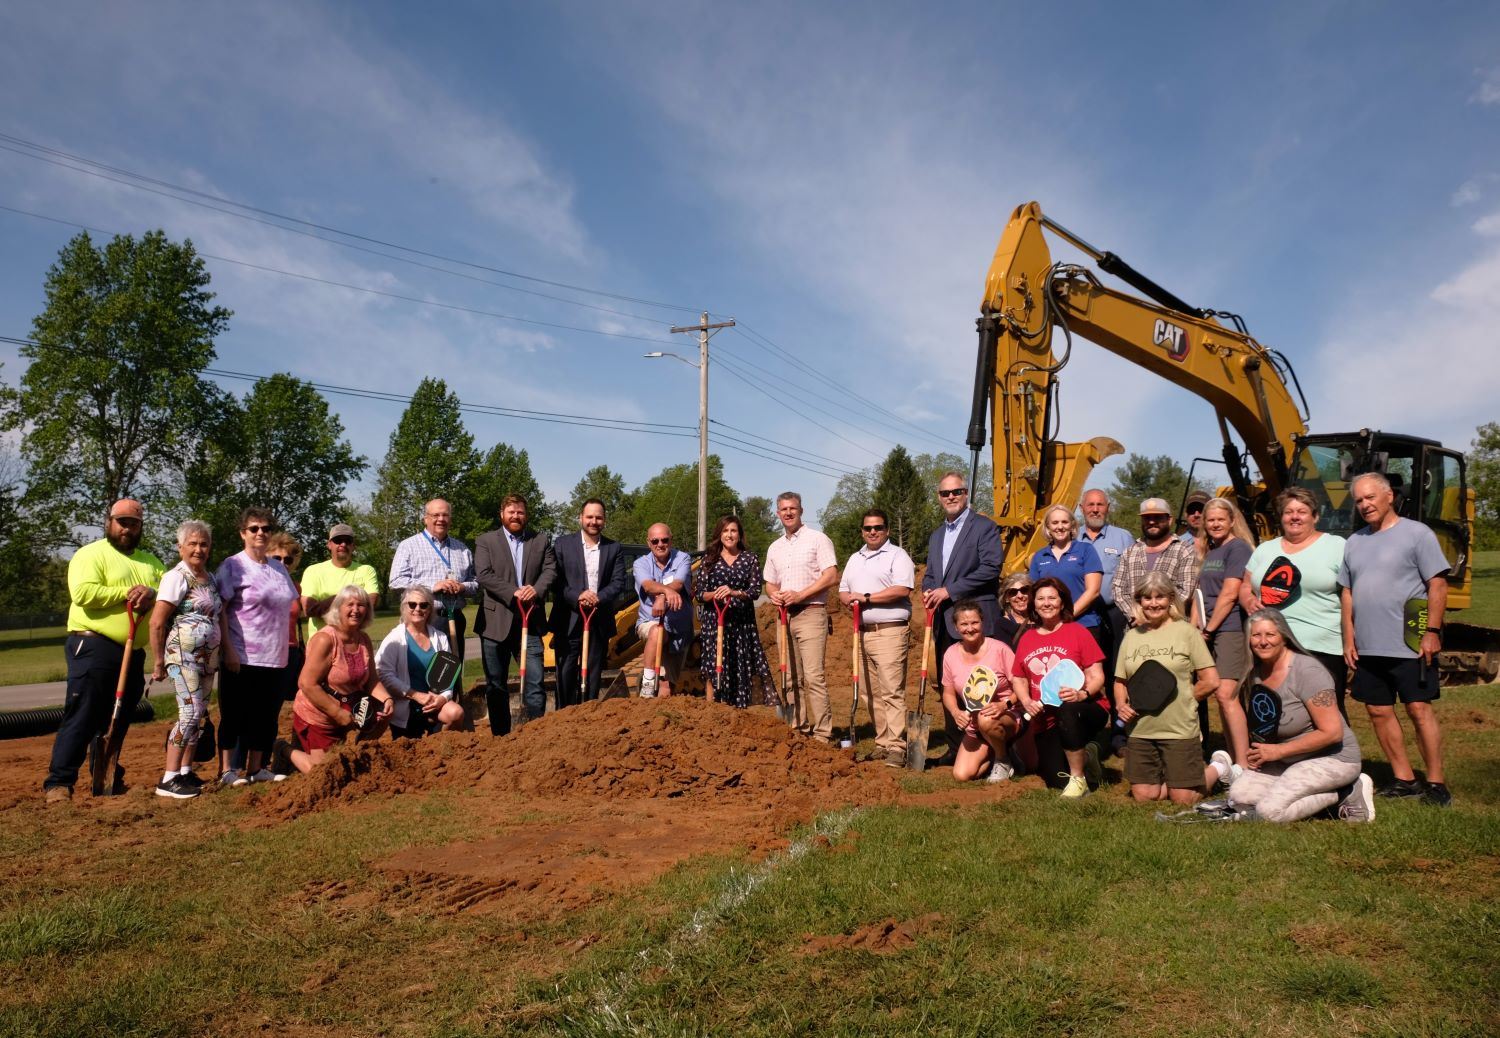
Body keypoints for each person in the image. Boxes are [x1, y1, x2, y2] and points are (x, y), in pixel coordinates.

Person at [1338, 472, 1452, 806]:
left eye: (1370, 497)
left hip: (1411, 638)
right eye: (1359, 500)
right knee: (1377, 711)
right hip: (1368, 644)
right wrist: (1349, 636)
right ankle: (1404, 778)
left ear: (1390, 496)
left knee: (1418, 709)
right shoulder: (1354, 541)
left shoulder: (1417, 534)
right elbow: (1347, 592)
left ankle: (1435, 782)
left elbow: (1438, 585)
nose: (1364, 505)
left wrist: (1431, 631)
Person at [44, 499, 164, 803]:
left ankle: (106, 773)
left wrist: (152, 592)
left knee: (117, 717)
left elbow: (172, 591)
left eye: (133, 523)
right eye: (121, 522)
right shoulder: (91, 554)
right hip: (93, 645)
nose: (126, 528)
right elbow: (83, 593)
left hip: (132, 652)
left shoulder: (151, 562)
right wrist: (128, 593)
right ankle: (59, 782)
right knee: (84, 712)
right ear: (109, 522)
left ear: (140, 527)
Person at [1227, 610, 1374, 822]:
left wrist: (1278, 751)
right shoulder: (1256, 673)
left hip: (1332, 759)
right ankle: (1317, 795)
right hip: (1288, 761)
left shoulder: (1308, 671)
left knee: (1269, 813)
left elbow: (1332, 733)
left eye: (1270, 634)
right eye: (1256, 635)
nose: (1263, 642)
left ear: (1284, 636)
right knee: (1240, 796)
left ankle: (1346, 791)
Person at [1114, 571, 1236, 806]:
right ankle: (1172, 778)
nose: (1153, 603)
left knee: (1183, 799)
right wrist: (1121, 704)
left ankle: (1219, 768)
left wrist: (1189, 700)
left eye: (1159, 597)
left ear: (1170, 599)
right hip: (1141, 729)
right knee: (1144, 797)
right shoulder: (1132, 636)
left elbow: (1210, 679)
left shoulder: (1187, 633)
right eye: (1146, 598)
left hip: (1179, 728)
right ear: (1139, 602)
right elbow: (1120, 681)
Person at [1240, 487, 1349, 714]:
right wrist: (1249, 600)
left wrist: (1351, 640)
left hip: (1321, 646)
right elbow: (1245, 586)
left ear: (1315, 516)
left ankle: (1336, 751)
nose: (1295, 517)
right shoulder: (1265, 549)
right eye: (1288, 512)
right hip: (1271, 646)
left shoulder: (1337, 546)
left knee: (1325, 713)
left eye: (1302, 511)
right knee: (1274, 712)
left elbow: (1351, 595)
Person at [921, 472, 1003, 763]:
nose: (951, 497)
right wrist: (929, 590)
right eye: (945, 493)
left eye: (956, 491)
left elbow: (991, 567)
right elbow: (931, 573)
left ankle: (992, 745)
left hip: (976, 619)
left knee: (983, 683)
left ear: (966, 494)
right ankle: (956, 748)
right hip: (945, 620)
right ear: (939, 498)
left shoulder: (983, 527)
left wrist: (949, 590)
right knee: (952, 685)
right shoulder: (937, 536)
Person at [215, 507, 298, 786]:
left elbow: (291, 603)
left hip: (275, 656)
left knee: (265, 716)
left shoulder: (277, 568)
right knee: (235, 714)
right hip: (242, 654)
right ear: (243, 533)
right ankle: (228, 770)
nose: (260, 533)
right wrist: (228, 649)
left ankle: (256, 768)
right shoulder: (232, 566)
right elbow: (220, 611)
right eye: (254, 528)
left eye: (265, 528)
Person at [1009, 578, 1109, 797]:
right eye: (1041, 598)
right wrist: (1026, 702)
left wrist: (1081, 693)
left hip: (1085, 707)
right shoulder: (1027, 638)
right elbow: (1019, 678)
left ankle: (1079, 778)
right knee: (1055, 781)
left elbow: (1097, 675)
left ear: (1062, 602)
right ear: (1033, 604)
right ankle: (1088, 756)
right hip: (1046, 718)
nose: (1046, 603)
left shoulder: (1078, 632)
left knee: (1068, 708)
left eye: (1052, 598)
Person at [148, 520, 222, 799]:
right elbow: (157, 623)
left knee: (199, 714)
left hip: (207, 658)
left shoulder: (211, 578)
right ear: (180, 547)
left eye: (204, 544)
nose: (199, 549)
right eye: (192, 544)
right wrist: (158, 662)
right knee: (189, 713)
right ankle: (168, 778)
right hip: (182, 656)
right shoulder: (176, 577)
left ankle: (185, 771)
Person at [836, 509, 914, 766]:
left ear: (887, 530)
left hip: (889, 631)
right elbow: (843, 590)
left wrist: (867, 598)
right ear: (862, 531)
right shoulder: (855, 558)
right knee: (871, 692)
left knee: (891, 691)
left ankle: (897, 746)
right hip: (863, 633)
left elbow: (902, 589)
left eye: (878, 528)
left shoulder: (897, 555)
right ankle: (882, 742)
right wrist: (848, 598)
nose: (872, 532)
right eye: (868, 528)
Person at [288, 586, 393, 772]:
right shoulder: (326, 640)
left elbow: (371, 680)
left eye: (361, 605)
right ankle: (284, 750)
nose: (356, 610)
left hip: (350, 710)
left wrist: (386, 699)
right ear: (338, 609)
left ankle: (360, 750)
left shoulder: (363, 639)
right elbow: (306, 683)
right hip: (319, 715)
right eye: (349, 604)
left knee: (383, 716)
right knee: (324, 772)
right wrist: (336, 712)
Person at [475, 494, 556, 734]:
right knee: (495, 684)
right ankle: (501, 736)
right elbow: (484, 574)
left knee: (534, 682)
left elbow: (550, 570)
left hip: (530, 621)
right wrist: (514, 592)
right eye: (511, 512)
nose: (516, 516)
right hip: (494, 623)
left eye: (520, 512)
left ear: (526, 515)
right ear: (502, 514)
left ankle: (534, 733)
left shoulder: (540, 541)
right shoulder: (486, 541)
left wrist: (536, 589)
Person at [765, 491, 840, 740]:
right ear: (778, 513)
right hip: (784, 617)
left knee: (813, 677)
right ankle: (798, 726)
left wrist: (801, 595)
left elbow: (830, 576)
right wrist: (775, 594)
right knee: (788, 676)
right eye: (783, 509)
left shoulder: (818, 539)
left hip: (811, 614)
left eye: (792, 509)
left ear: (801, 511)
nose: (788, 513)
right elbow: (770, 583)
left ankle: (822, 733)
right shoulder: (775, 547)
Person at [1190, 497, 1255, 765]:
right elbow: (1200, 593)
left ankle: (1244, 763)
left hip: (1229, 629)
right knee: (1222, 697)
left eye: (1220, 519)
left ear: (1231, 521)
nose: (1215, 524)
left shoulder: (1237, 548)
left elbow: (1230, 594)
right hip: (1207, 629)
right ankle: (1234, 757)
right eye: (1210, 520)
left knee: (1227, 694)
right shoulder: (1209, 551)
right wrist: (1195, 626)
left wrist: (1209, 629)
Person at [551, 498, 631, 708]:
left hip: (598, 619)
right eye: (589, 517)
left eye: (598, 517)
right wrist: (577, 595)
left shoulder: (613, 548)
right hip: (568, 618)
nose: (594, 521)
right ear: (581, 518)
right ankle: (563, 716)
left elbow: (618, 582)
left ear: (604, 520)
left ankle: (588, 714)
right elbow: (556, 580)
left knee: (593, 671)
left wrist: (598, 597)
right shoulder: (562, 544)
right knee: (566, 671)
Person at [390, 499, 478, 666]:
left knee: (451, 673)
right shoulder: (408, 546)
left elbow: (475, 583)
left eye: (445, 515)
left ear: (450, 519)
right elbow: (396, 581)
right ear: (425, 518)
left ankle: (453, 694)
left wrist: (462, 587)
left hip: (454, 618)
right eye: (435, 515)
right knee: (421, 671)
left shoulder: (462, 549)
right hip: (422, 618)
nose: (441, 519)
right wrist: (431, 587)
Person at [698, 515, 773, 709]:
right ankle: (712, 711)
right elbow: (699, 593)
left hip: (742, 623)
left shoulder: (750, 558)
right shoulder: (709, 559)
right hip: (714, 621)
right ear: (719, 534)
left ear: (739, 534)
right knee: (713, 666)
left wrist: (734, 593)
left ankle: (737, 713)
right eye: (725, 531)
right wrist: (715, 594)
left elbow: (755, 591)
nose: (729, 535)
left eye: (733, 531)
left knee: (738, 667)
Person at [942, 599, 1020, 782]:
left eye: (974, 622)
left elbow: (1021, 685)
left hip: (1007, 715)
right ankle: (996, 751)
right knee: (962, 775)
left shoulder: (1000, 649)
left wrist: (1004, 704)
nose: (970, 628)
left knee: (986, 719)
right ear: (955, 627)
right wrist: (955, 712)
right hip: (975, 724)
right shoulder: (951, 654)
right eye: (964, 624)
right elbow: (948, 692)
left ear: (983, 623)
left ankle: (1003, 759)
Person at [375, 585, 466, 737]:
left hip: (434, 702)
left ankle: (440, 748)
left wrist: (443, 698)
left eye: (424, 605)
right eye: (412, 604)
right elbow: (384, 675)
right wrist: (416, 695)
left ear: (430, 609)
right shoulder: (395, 638)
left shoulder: (440, 637)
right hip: (406, 703)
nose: (418, 609)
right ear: (404, 608)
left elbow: (449, 677)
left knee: (456, 713)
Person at [1111, 498, 1199, 625]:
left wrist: (1158, 616)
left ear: (1169, 520)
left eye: (1157, 517)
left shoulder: (1184, 550)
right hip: (1137, 627)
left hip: (1172, 626)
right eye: (1147, 518)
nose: (1152, 522)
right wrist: (1135, 615)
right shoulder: (1130, 552)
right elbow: (1118, 589)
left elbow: (1185, 590)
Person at [1027, 503, 1104, 648]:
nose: (1060, 527)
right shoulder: (1039, 556)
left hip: (1084, 624)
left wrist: (1066, 616)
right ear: (1048, 527)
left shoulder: (1085, 550)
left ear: (1072, 525)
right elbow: (1034, 594)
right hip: (1049, 627)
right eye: (1055, 522)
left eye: (1064, 522)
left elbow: (1093, 591)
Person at [635, 522, 694, 698]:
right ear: (648, 543)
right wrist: (667, 591)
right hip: (650, 621)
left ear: (671, 540)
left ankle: (660, 720)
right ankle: (647, 683)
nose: (660, 544)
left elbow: (679, 582)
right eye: (655, 541)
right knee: (657, 631)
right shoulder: (641, 563)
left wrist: (662, 597)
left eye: (664, 540)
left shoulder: (683, 558)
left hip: (679, 629)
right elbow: (647, 585)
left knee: (667, 688)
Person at [1079, 488, 1135, 668]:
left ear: (1107, 508)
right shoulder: (1072, 537)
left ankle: (1115, 695)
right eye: (1091, 504)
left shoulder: (1123, 538)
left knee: (1116, 665)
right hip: (1081, 614)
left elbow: (1134, 576)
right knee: (1083, 663)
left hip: (1114, 612)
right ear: (1082, 508)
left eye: (1100, 504)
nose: (1095, 509)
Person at [301, 524, 379, 640]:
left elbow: (370, 604)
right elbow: (309, 609)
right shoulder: (313, 571)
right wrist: (350, 602)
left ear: (353, 546)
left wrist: (327, 605)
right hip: (321, 644)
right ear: (329, 544)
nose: (343, 544)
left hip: (355, 642)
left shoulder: (367, 570)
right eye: (338, 540)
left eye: (347, 541)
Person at [996, 573, 1031, 645]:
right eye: (1013, 592)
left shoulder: (1041, 618)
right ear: (1006, 598)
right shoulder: (1002, 624)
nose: (1020, 596)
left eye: (1024, 590)